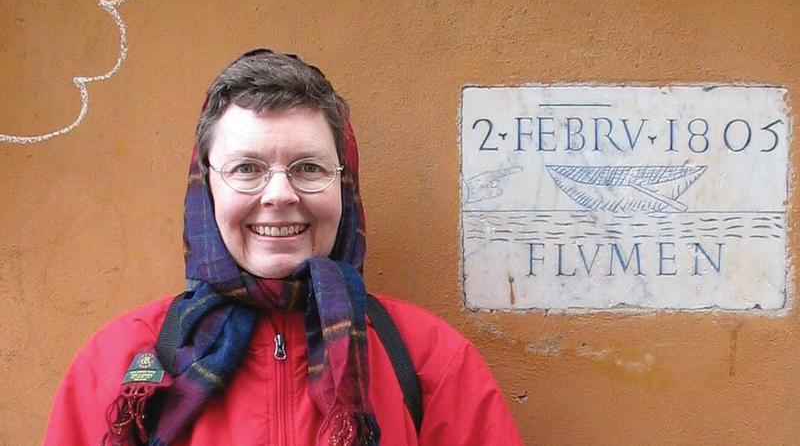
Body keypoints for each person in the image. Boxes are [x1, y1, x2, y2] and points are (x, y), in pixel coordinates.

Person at [43, 49, 524, 446]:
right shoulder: (121, 361)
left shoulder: (428, 360)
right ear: (207, 188)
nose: (279, 195)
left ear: (345, 186)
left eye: (308, 168)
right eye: (247, 168)